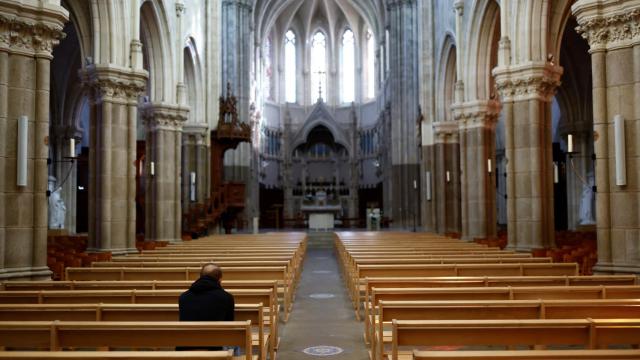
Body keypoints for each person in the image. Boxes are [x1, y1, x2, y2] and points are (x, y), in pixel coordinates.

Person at [177, 263, 235, 350]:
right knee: (234, 345)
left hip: (186, 345)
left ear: (200, 277)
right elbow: (229, 325)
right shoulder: (226, 297)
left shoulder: (183, 296)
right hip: (215, 346)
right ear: (219, 279)